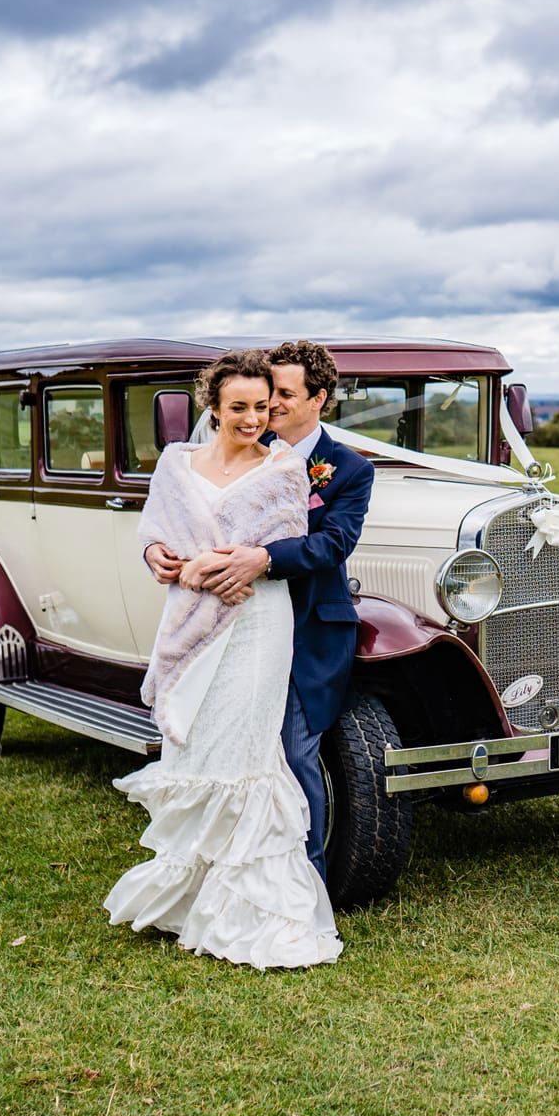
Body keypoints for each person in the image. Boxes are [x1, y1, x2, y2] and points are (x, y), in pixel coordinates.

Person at [106, 349, 342, 968]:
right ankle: (190, 897)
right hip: (190, 612)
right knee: (197, 744)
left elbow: (282, 542)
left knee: (246, 752)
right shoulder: (176, 463)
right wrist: (157, 551)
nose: (253, 419)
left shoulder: (285, 468)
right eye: (239, 407)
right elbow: (156, 525)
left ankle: (252, 911)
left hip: (257, 621)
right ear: (212, 406)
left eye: (262, 407)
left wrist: (225, 567)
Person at [169, 340, 373, 881]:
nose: (270, 407)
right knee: (227, 743)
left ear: (318, 399)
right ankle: (223, 864)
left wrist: (263, 558)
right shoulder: (238, 451)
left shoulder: (348, 469)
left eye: (282, 395)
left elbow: (332, 545)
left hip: (308, 629)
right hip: (234, 623)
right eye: (264, 396)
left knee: (295, 751)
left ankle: (307, 879)